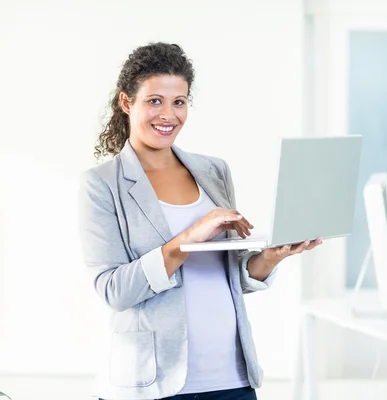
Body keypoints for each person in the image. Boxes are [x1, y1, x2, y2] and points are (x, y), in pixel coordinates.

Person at [78, 42, 321, 400]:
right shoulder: (101, 184)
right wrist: (189, 237)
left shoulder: (213, 171)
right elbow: (114, 290)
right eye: (154, 101)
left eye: (179, 101)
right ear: (127, 102)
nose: (169, 114)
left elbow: (231, 274)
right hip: (151, 384)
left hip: (231, 378)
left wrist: (271, 257)